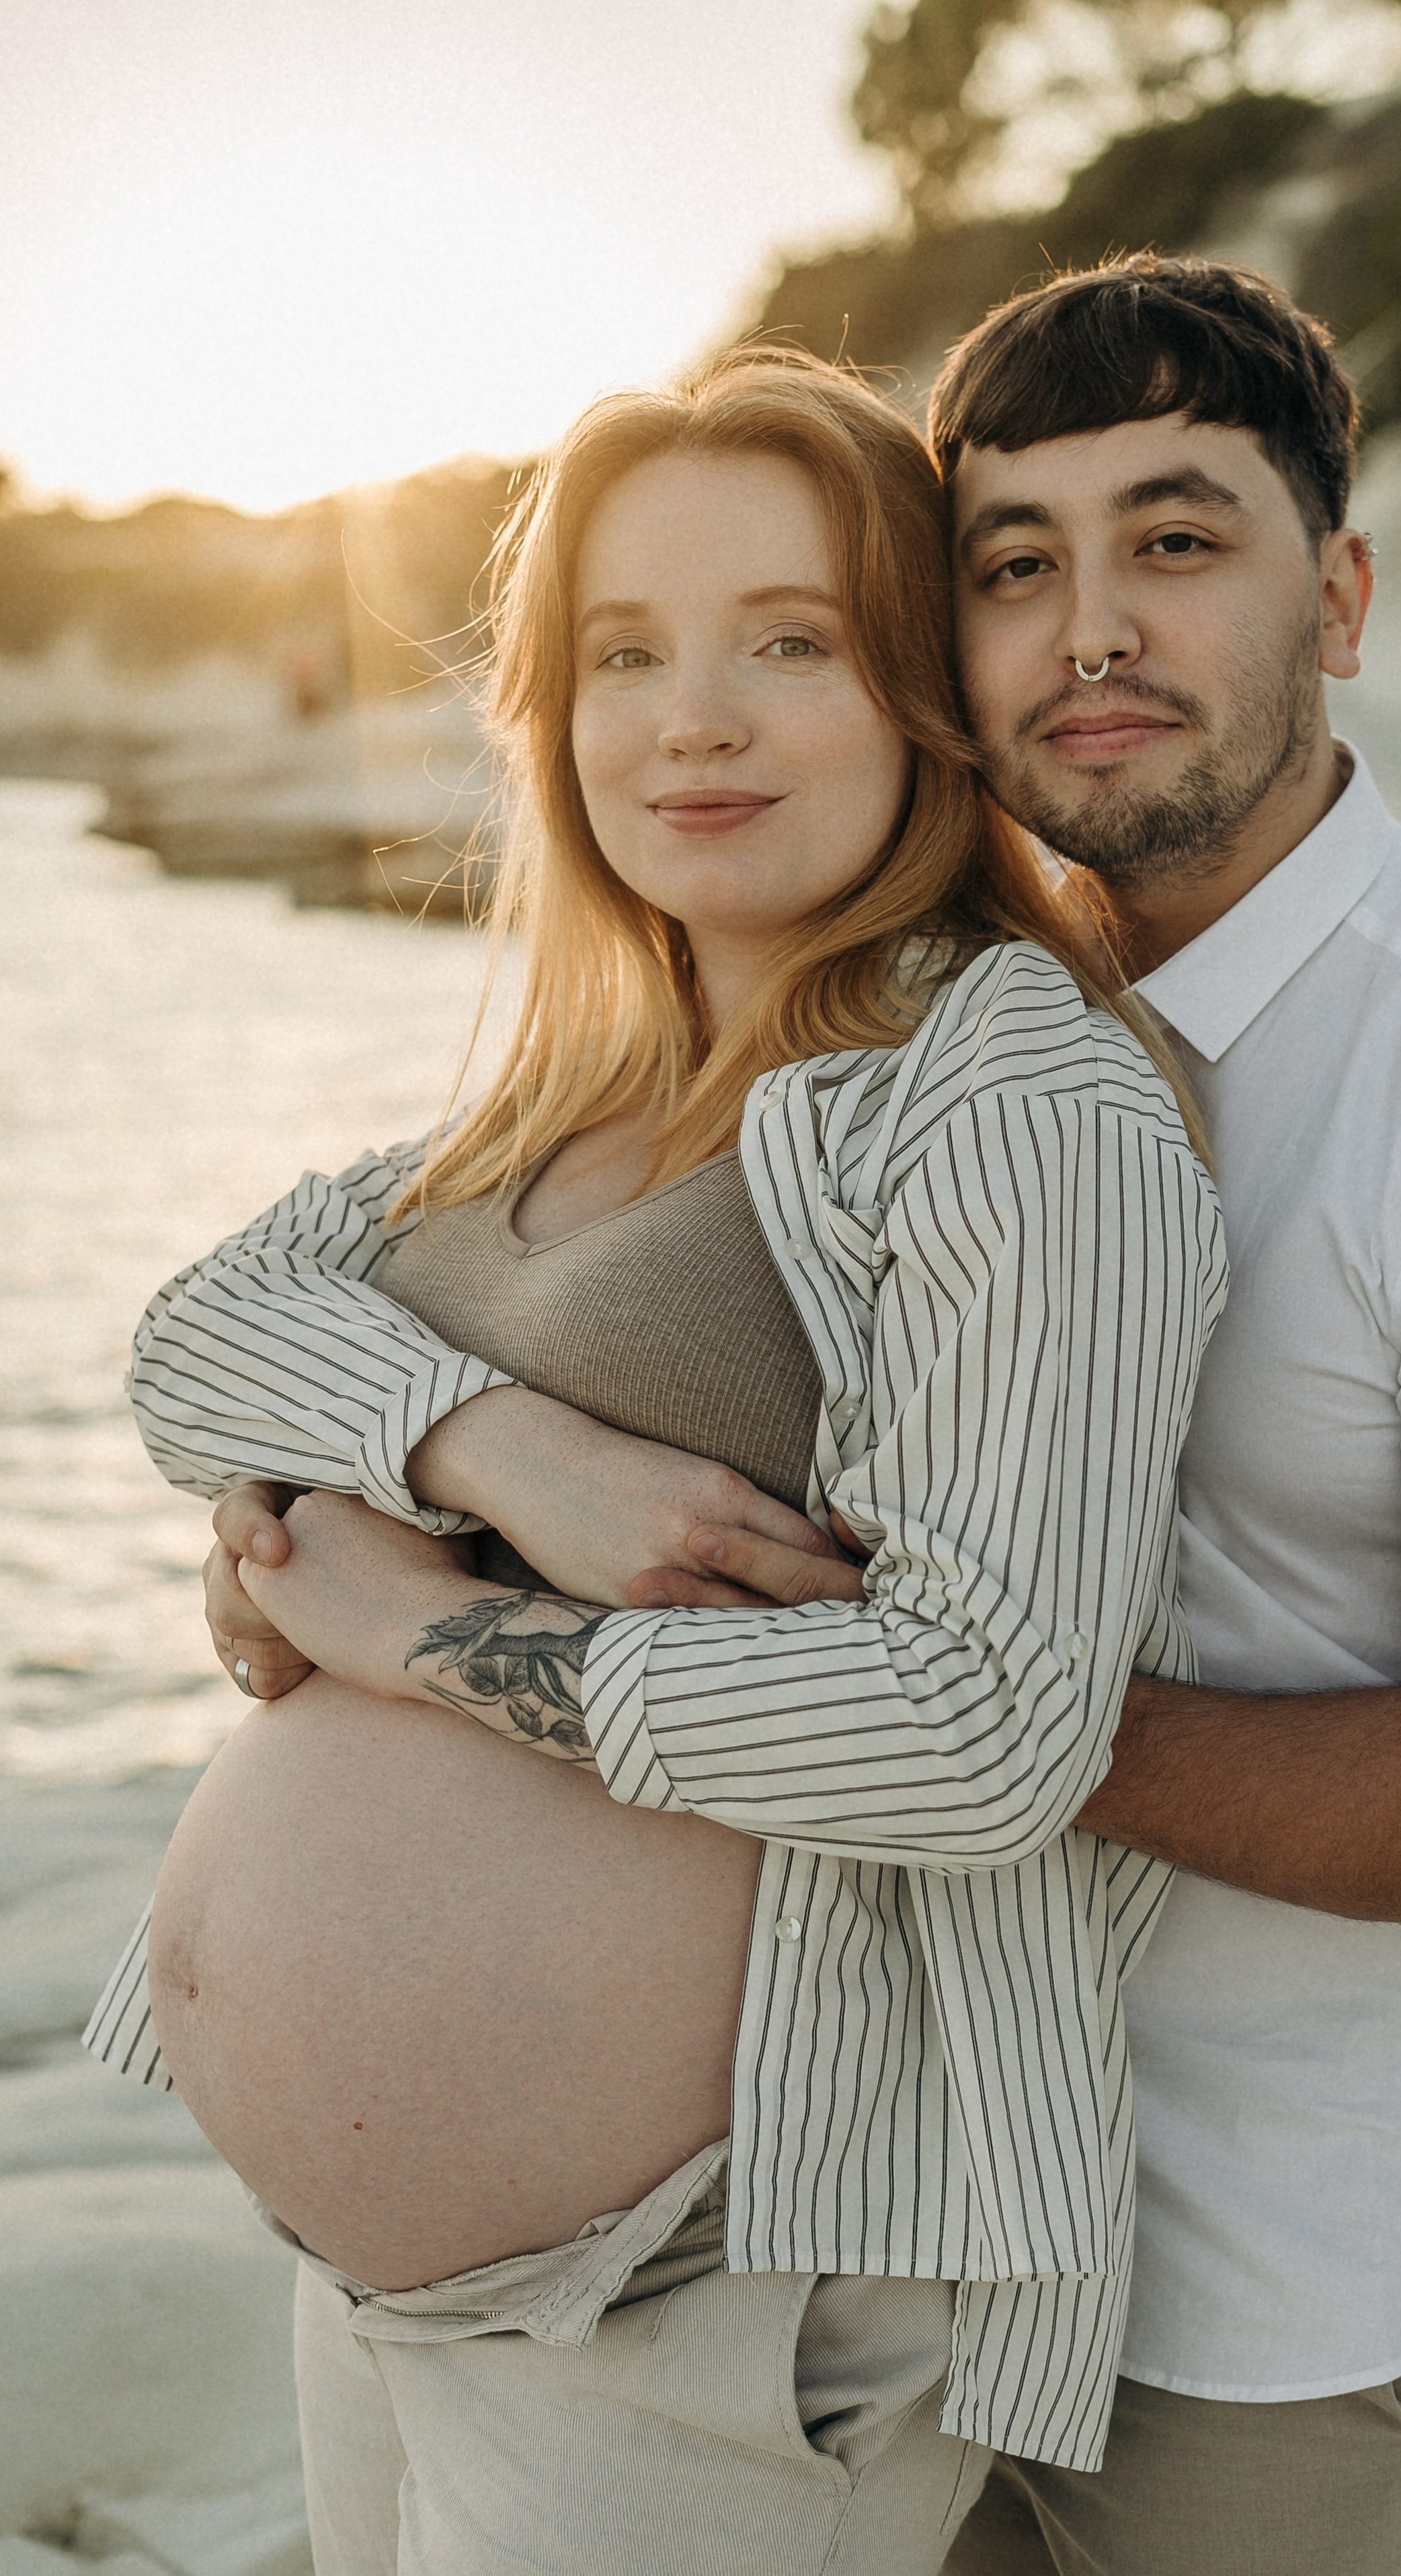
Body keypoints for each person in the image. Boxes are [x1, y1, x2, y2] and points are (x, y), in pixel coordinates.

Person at [85, 347, 1226, 2576]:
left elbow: (990, 1722)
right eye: (624, 654)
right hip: (399, 2284)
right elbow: (194, 1337)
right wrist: (492, 1444)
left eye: (787, 641)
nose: (690, 719)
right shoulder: (575, 1084)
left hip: (706, 2288)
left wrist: (415, 1631)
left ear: (923, 691)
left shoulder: (1010, 1095)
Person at [634, 259, 1401, 2573]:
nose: (1092, 628)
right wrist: (374, 1506)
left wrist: (960, 1705)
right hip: (876, 2225)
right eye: (1015, 563)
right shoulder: (912, 1011)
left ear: (1342, 596)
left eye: (1178, 538)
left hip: (1272, 2289)